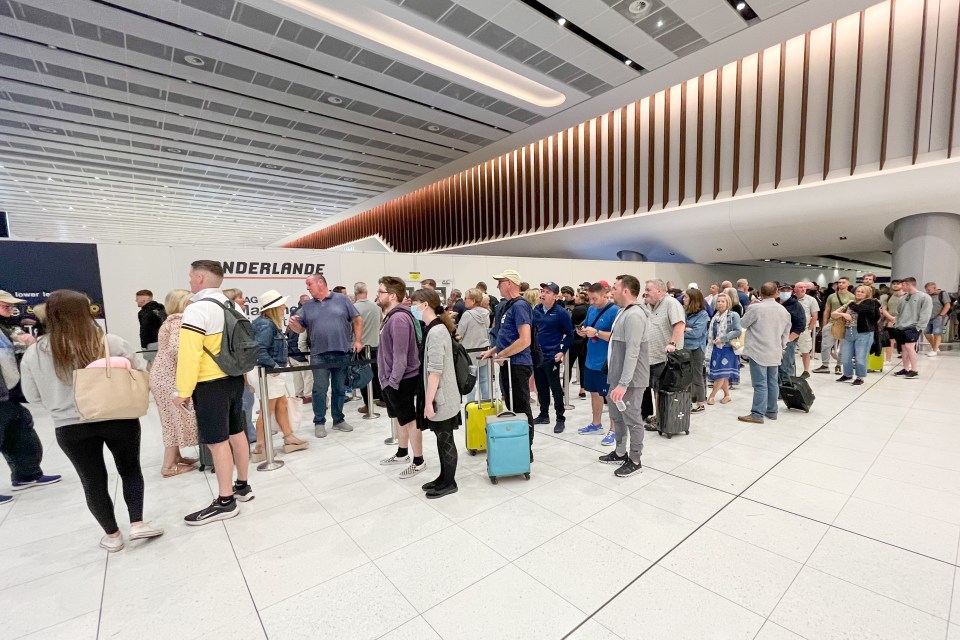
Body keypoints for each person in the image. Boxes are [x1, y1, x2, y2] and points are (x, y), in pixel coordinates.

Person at [20, 289, 162, 551]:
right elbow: (137, 374)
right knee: (130, 469)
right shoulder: (110, 342)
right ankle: (138, 523)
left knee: (92, 480)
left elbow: (32, 395)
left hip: (70, 425)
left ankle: (113, 534)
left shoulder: (36, 352)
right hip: (118, 416)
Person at [174, 260, 253, 525]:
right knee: (237, 432)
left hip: (209, 383)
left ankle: (225, 500)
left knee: (217, 442)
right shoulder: (232, 305)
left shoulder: (197, 309)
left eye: (190, 276)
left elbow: (190, 354)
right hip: (233, 379)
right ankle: (242, 486)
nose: (189, 281)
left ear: (199, 278)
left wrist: (183, 390)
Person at [0, 291, 61, 507]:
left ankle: (26, 474)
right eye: (5, 306)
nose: (11, 309)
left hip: (9, 394)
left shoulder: (6, 328)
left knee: (21, 431)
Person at [288, 274, 362, 437]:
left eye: (309, 284)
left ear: (320, 283)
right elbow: (300, 329)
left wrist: (358, 340)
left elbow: (357, 319)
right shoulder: (307, 306)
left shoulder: (342, 300)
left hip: (342, 352)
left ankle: (338, 420)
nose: (307, 288)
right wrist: (294, 325)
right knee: (319, 390)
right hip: (319, 355)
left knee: (339, 389)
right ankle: (319, 422)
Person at [481, 269, 535, 462]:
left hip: (518, 364)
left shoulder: (520, 306)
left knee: (520, 407)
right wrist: (494, 351)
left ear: (510, 283)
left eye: (500, 282)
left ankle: (525, 449)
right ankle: (518, 444)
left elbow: (525, 340)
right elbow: (508, 336)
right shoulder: (508, 306)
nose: (497, 286)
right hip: (508, 363)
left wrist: (502, 354)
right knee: (511, 405)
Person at [412, 289, 461, 498]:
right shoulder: (434, 328)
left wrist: (429, 402)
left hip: (442, 397)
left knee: (446, 438)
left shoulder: (436, 331)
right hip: (441, 395)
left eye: (414, 303)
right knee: (442, 439)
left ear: (425, 304)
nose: (412, 307)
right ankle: (444, 477)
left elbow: (435, 371)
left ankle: (449, 482)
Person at [376, 276, 425, 478]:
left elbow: (400, 355)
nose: (377, 295)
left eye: (380, 292)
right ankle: (402, 452)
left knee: (409, 419)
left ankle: (419, 460)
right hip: (392, 379)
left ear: (392, 295)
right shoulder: (391, 316)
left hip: (401, 380)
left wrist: (393, 381)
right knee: (399, 418)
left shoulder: (398, 319)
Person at [601, 275, 650, 477]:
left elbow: (633, 351)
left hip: (630, 380)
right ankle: (620, 451)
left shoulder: (635, 315)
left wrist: (623, 383)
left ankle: (635, 459)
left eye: (614, 288)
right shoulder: (623, 312)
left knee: (632, 418)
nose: (611, 292)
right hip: (617, 377)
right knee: (616, 416)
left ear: (626, 291)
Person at [250, 290, 307, 462]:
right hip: (267, 372)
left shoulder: (268, 323)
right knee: (268, 409)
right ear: (274, 307)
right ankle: (260, 446)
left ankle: (288, 436)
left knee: (281, 404)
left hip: (270, 372)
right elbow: (260, 350)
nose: (284, 306)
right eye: (281, 304)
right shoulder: (265, 325)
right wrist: (274, 367)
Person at [148, 289, 200, 478]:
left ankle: (176, 457)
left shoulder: (170, 320)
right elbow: (178, 350)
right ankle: (169, 465)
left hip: (162, 375)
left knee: (169, 418)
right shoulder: (180, 321)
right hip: (170, 377)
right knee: (173, 419)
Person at [738, 283, 791, 424]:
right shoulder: (783, 311)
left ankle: (757, 414)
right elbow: (786, 333)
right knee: (772, 382)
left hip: (758, 351)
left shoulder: (755, 308)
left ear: (760, 294)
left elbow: (742, 324)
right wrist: (781, 347)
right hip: (775, 351)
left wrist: (750, 307)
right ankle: (772, 411)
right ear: (776, 293)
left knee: (760, 384)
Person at [575, 283, 619, 442]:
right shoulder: (591, 309)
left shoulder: (615, 311)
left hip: (606, 361)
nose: (592, 302)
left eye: (594, 299)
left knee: (610, 395)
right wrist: (583, 332)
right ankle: (596, 423)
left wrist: (597, 333)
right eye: (590, 298)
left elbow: (616, 337)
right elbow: (588, 327)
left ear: (605, 295)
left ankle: (614, 429)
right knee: (593, 393)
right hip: (591, 360)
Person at [640, 279, 686, 432]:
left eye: (648, 290)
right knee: (654, 388)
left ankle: (661, 419)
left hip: (665, 357)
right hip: (650, 356)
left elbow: (679, 325)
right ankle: (658, 416)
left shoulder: (671, 304)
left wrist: (672, 344)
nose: (645, 292)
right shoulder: (648, 306)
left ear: (659, 291)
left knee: (660, 389)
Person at [533, 282, 574, 433]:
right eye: (542, 291)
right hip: (538, 356)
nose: (543, 294)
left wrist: (562, 350)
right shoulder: (536, 310)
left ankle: (560, 418)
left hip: (552, 356)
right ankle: (544, 414)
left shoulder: (561, 313)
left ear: (555, 296)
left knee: (555, 388)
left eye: (548, 292)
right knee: (541, 387)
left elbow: (570, 334)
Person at [223, 288, 256, 443]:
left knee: (247, 401)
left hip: (242, 369)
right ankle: (247, 435)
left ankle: (249, 432)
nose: (244, 300)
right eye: (240, 297)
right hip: (238, 370)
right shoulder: (233, 320)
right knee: (245, 402)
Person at [832, 285, 881, 385]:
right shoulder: (851, 302)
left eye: (862, 292)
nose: (859, 293)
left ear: (867, 294)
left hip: (864, 333)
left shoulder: (871, 303)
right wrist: (843, 314)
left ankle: (860, 377)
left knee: (860, 357)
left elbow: (860, 309)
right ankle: (847, 374)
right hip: (848, 331)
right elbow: (834, 313)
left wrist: (851, 304)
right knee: (845, 356)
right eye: (858, 291)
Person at [889, 277, 932, 379]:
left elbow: (925, 313)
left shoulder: (924, 297)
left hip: (913, 327)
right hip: (901, 326)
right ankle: (906, 368)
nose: (901, 287)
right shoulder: (903, 298)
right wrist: (896, 324)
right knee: (903, 348)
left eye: (903, 285)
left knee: (909, 347)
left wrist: (919, 327)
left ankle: (915, 370)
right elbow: (898, 312)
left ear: (909, 285)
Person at [706, 292, 742, 404]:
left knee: (721, 374)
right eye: (718, 301)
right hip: (715, 348)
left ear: (728, 303)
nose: (720, 303)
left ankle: (712, 396)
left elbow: (737, 331)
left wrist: (723, 338)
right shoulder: (715, 316)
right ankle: (727, 395)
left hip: (727, 349)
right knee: (723, 374)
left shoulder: (733, 315)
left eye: (723, 301)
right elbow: (711, 332)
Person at [814, 277, 854, 374]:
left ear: (848, 284)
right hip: (832, 322)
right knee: (826, 345)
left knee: (843, 346)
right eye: (839, 282)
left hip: (845, 324)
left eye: (843, 282)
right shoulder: (832, 296)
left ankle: (839, 365)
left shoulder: (852, 297)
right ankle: (825, 365)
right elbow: (827, 310)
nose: (840, 284)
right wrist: (824, 324)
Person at [353, 282, 383, 414]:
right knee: (378, 374)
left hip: (360, 347)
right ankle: (382, 398)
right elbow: (381, 323)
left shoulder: (353, 308)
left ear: (355, 293)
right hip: (376, 346)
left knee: (363, 376)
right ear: (367, 292)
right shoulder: (376, 308)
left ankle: (368, 403)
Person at [458, 288, 491, 403]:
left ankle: (471, 407)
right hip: (484, 351)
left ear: (472, 301)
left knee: (470, 382)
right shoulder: (486, 314)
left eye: (466, 298)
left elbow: (459, 334)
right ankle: (488, 405)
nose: (464, 301)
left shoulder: (467, 315)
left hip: (470, 352)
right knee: (484, 381)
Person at [683, 288, 709, 413]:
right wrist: (685, 329)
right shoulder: (686, 311)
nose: (683, 299)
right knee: (686, 377)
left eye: (686, 297)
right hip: (685, 348)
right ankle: (688, 402)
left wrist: (683, 330)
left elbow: (696, 334)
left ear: (693, 299)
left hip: (697, 349)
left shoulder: (703, 315)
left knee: (697, 376)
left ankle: (700, 404)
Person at [777, 284, 807, 385]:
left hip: (788, 340)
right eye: (782, 290)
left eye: (787, 290)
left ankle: (787, 387)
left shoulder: (796, 305)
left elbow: (800, 325)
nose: (785, 292)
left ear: (791, 292)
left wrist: (789, 339)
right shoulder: (776, 304)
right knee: (776, 365)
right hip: (775, 339)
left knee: (785, 365)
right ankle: (777, 387)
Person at [794, 283, 820, 378]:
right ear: (795, 289)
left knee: (805, 351)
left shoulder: (811, 300)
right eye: (800, 287)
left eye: (804, 287)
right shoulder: (791, 299)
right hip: (791, 330)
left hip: (803, 329)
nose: (803, 289)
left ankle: (806, 371)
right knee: (788, 351)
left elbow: (814, 316)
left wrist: (809, 329)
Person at [136, 289, 166, 369]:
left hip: (151, 343)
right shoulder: (162, 309)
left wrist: (143, 346)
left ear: (143, 299)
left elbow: (144, 330)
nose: (136, 301)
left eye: (137, 299)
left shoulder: (144, 312)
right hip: (164, 341)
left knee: (152, 368)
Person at [924, 282, 952, 357]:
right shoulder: (928, 296)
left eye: (929, 290)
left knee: (937, 332)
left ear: (934, 288)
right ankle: (935, 346)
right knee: (926, 332)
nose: (927, 291)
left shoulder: (942, 294)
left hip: (939, 317)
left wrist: (941, 315)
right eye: (926, 290)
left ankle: (934, 350)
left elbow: (947, 305)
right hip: (929, 317)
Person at [570, 291, 589, 399]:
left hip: (575, 339)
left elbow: (571, 322)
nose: (575, 298)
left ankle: (564, 388)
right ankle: (583, 389)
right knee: (583, 366)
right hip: (585, 340)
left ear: (581, 299)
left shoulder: (577, 309)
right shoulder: (590, 308)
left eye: (577, 296)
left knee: (568, 364)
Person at [880, 280, 904, 363]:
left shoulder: (906, 296)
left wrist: (896, 319)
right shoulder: (888, 296)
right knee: (890, 341)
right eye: (894, 284)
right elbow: (884, 309)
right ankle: (888, 359)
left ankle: (906, 360)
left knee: (904, 342)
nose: (895, 285)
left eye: (898, 284)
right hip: (889, 321)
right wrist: (891, 318)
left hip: (903, 321)